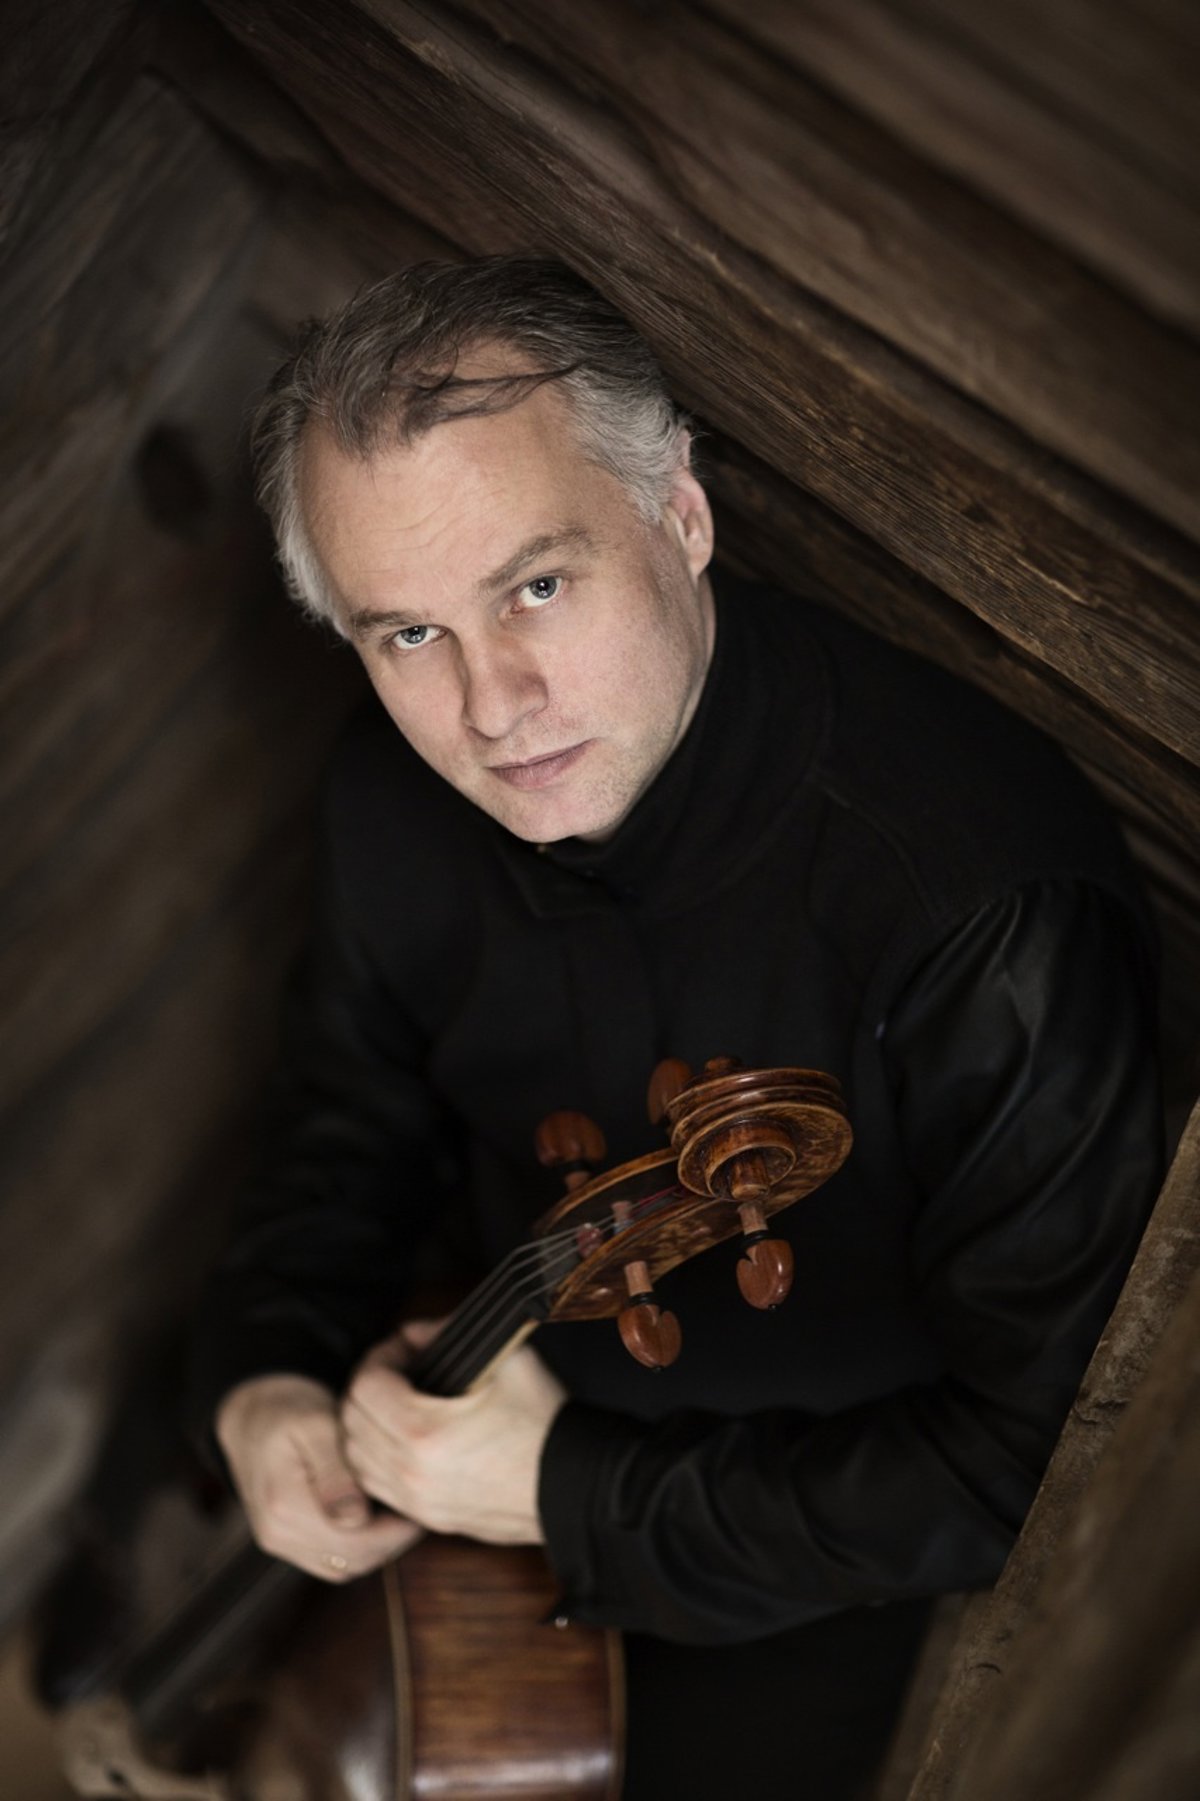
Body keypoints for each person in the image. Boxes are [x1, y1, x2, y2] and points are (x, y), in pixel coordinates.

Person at [192, 257, 1162, 1797]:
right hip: (499, 1475)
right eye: (408, 635)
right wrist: (266, 1383)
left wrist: (568, 1490)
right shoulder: (389, 803)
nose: (493, 703)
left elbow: (1028, 1465)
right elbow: (342, 1130)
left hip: (858, 1577)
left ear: (683, 517)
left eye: (536, 586)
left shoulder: (972, 901)